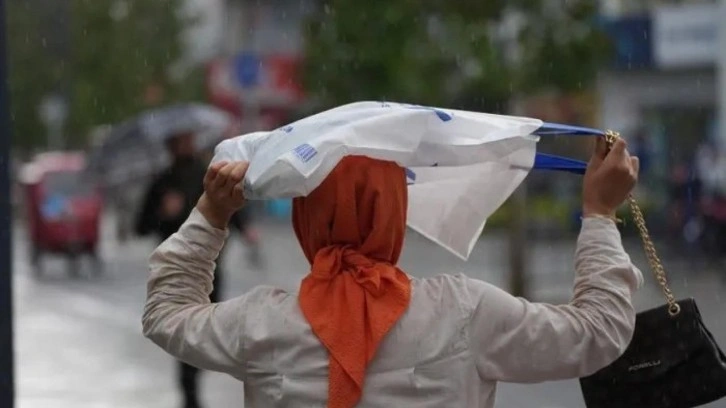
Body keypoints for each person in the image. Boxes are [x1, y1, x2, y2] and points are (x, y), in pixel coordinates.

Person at [143, 137, 643, 407]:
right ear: (394, 212)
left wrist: (210, 214)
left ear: (304, 219)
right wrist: (598, 215)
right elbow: (598, 332)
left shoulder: (263, 324)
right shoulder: (463, 312)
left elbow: (166, 313)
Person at [135, 131, 259, 408]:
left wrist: (246, 227)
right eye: (181, 140)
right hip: (177, 271)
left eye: (190, 139)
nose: (187, 145)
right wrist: (162, 214)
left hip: (212, 268)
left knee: (208, 332)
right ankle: (190, 397)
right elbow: (140, 226)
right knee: (184, 336)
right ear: (171, 145)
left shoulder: (207, 174)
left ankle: (194, 385)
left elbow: (228, 206)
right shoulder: (161, 181)